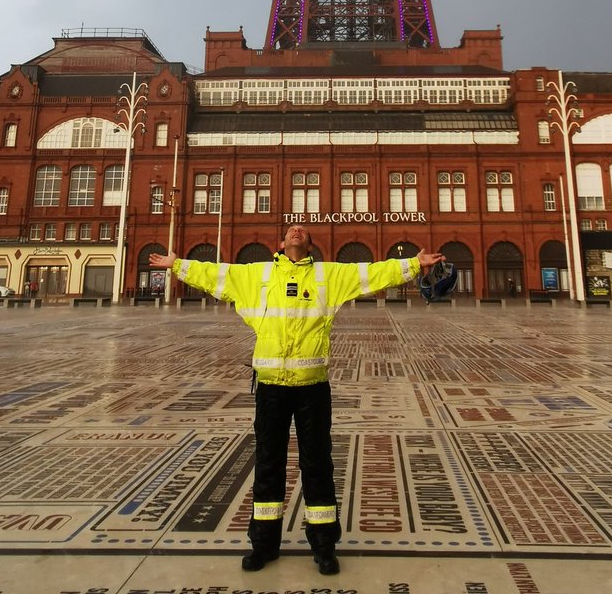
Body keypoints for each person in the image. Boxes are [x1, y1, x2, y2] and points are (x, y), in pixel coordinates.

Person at [148, 227, 444, 576]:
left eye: (302, 231)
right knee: (268, 464)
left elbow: (373, 272)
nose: (297, 231)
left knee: (317, 465)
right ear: (281, 243)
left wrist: (413, 264)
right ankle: (264, 544)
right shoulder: (257, 274)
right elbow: (215, 273)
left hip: (312, 386)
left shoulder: (328, 275)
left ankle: (323, 546)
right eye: (291, 230)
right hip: (271, 387)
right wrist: (177, 264)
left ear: (310, 245)